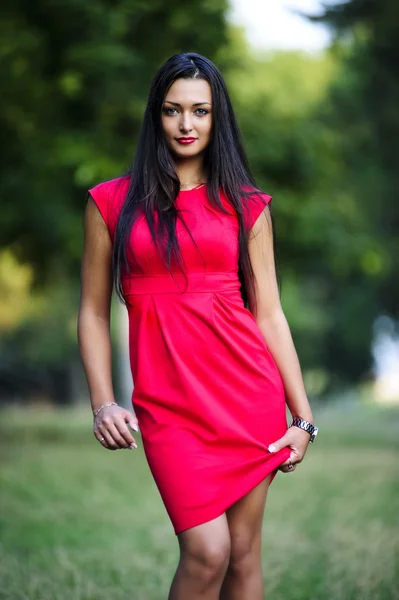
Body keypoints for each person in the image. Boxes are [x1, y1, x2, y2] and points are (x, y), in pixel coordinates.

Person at [78, 52, 318, 600]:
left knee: (243, 556)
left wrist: (303, 419)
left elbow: (270, 314)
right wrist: (104, 402)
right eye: (172, 110)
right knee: (208, 551)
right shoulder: (111, 203)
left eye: (201, 111)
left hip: (247, 394)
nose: (187, 125)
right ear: (155, 117)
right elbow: (92, 310)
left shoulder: (247, 206)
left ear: (218, 118)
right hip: (169, 406)